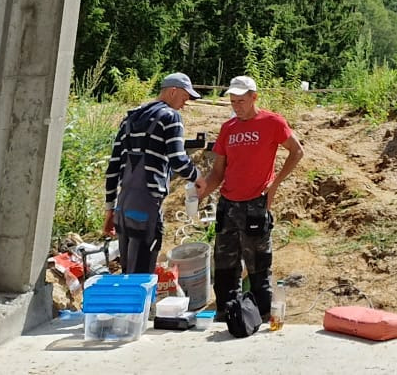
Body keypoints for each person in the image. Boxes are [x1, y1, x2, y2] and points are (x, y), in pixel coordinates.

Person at [194, 75, 303, 326]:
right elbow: (218, 172)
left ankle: (261, 317)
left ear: (254, 97)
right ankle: (227, 316)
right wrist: (203, 189)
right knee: (224, 266)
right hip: (228, 206)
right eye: (233, 101)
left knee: (258, 267)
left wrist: (275, 184)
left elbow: (297, 151)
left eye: (241, 101)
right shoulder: (228, 128)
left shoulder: (272, 122)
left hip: (255, 204)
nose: (236, 106)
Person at [103, 72, 197, 275]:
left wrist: (110, 209)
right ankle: (140, 307)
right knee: (142, 276)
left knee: (128, 271)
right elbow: (179, 161)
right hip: (146, 209)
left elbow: (113, 167)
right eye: (185, 96)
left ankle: (127, 307)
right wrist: (199, 179)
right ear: (173, 91)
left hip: (123, 209)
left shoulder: (129, 118)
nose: (185, 103)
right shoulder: (171, 117)